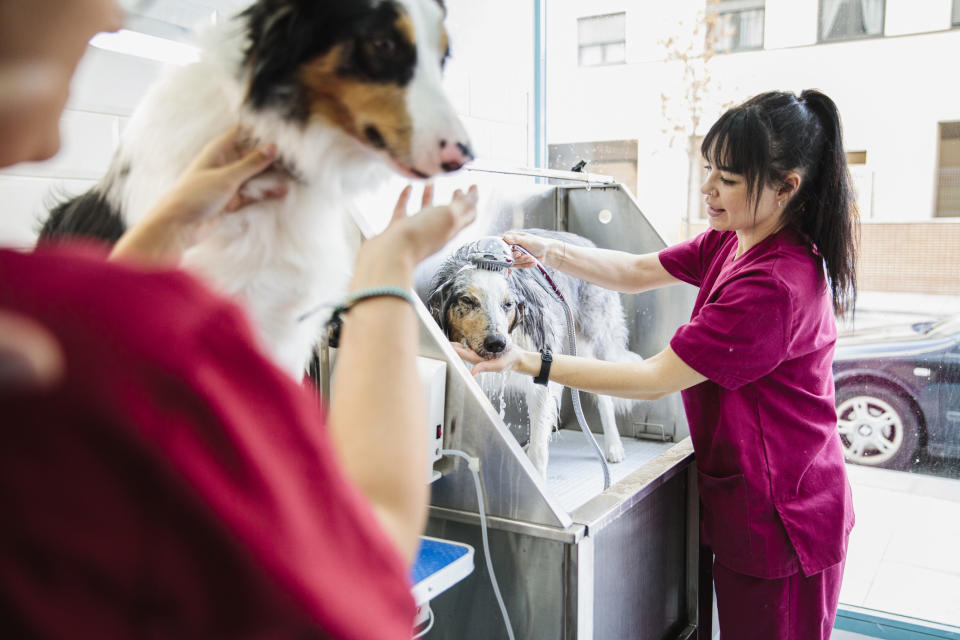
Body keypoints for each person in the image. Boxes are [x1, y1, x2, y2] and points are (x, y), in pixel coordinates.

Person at [0, 0, 478, 637]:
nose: (115, 19)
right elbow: (366, 561)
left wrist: (165, 224)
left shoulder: (39, 323)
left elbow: (105, 335)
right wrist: (388, 269)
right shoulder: (137, 337)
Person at [454, 89, 858, 639]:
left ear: (788, 188)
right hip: (750, 497)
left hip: (782, 517)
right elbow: (637, 269)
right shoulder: (733, 241)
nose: (708, 188)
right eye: (709, 168)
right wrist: (548, 251)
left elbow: (651, 380)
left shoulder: (774, 285)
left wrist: (523, 360)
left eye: (730, 179)